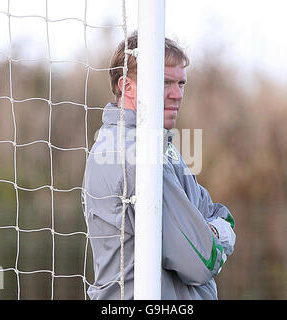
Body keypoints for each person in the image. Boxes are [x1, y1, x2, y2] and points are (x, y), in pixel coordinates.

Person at [82, 31, 236, 300]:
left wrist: (209, 230)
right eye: (165, 82)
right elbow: (203, 262)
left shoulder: (161, 147)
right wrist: (212, 234)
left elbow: (216, 212)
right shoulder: (136, 155)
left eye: (181, 83)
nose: (177, 94)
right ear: (126, 85)